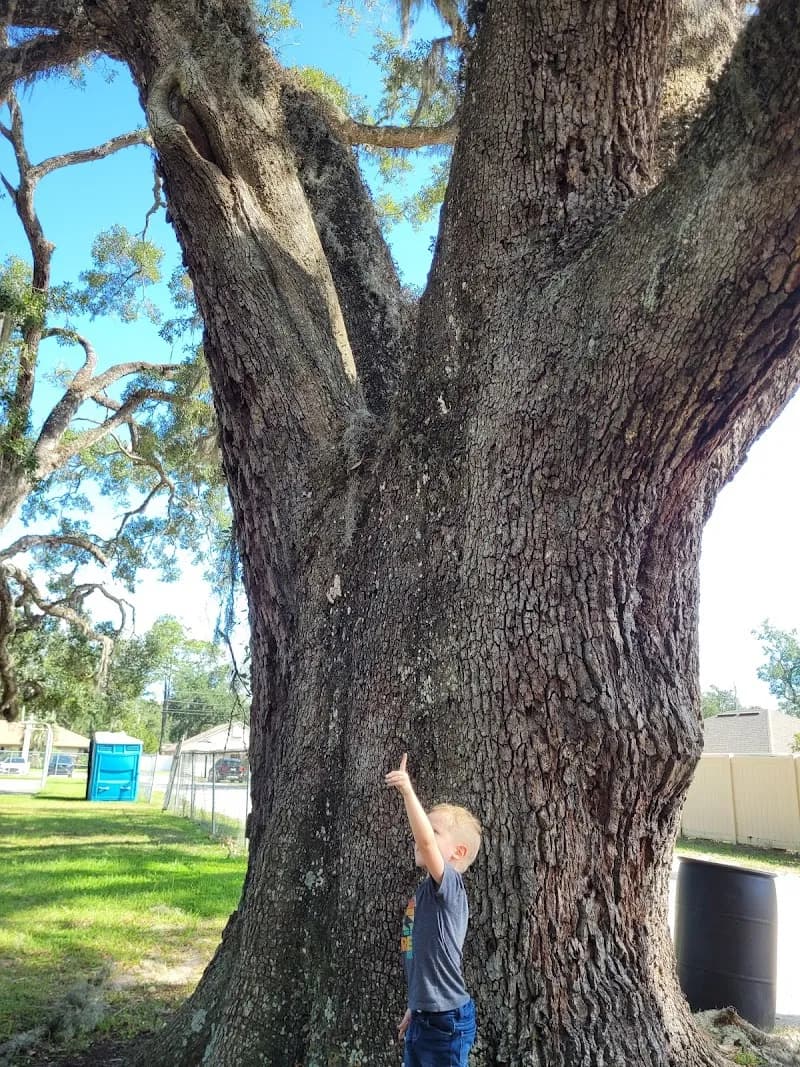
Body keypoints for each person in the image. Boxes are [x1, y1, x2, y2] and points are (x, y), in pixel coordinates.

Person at [385, 753, 482, 1067]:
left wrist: (408, 793)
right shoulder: (425, 891)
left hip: (447, 1022)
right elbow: (424, 960)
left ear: (458, 852)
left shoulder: (449, 888)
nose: (422, 836)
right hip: (425, 1017)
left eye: (433, 830)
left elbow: (426, 844)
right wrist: (415, 1006)